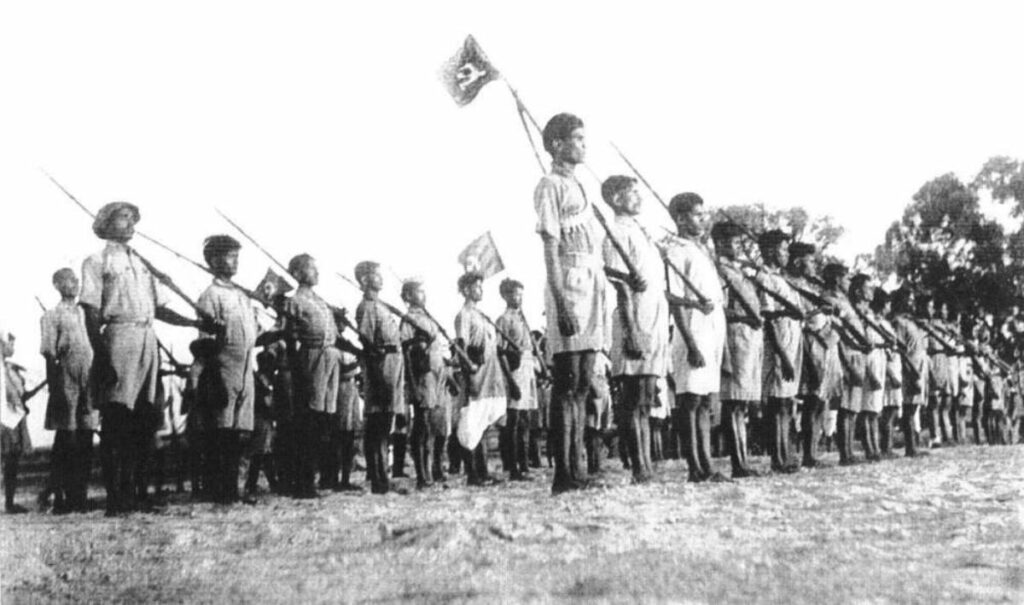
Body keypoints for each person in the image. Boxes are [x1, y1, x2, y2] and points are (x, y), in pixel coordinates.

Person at [80, 202, 213, 516]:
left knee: (143, 419)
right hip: (118, 336)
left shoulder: (143, 263)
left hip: (147, 338)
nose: (130, 224)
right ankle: (116, 499)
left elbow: (160, 309)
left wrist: (194, 322)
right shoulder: (96, 261)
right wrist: (102, 356)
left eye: (132, 219)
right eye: (122, 218)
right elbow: (91, 312)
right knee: (116, 419)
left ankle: (136, 494)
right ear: (106, 224)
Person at [534, 112, 609, 494]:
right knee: (566, 384)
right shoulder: (549, 185)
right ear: (557, 144)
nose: (583, 145)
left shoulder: (578, 184)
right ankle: (563, 473)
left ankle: (578, 469)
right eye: (576, 139)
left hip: (591, 283)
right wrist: (561, 302)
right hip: (569, 282)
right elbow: (550, 246)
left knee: (583, 383)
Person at [601, 176, 668, 484]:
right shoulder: (615, 232)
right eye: (632, 193)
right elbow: (621, 288)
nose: (639, 199)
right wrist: (630, 331)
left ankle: (647, 464)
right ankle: (640, 465)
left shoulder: (641, 233)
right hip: (635, 319)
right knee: (634, 398)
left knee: (647, 396)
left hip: (653, 318)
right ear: (616, 199)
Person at [195, 235, 262, 504]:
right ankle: (220, 490)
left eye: (236, 256)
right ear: (214, 261)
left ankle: (235, 488)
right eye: (229, 256)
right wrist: (215, 378)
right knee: (222, 430)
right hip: (223, 366)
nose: (235, 262)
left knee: (241, 432)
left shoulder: (242, 296)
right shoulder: (210, 296)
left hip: (246, 366)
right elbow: (205, 343)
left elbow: (255, 334)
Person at [281, 253, 342, 498]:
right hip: (310, 356)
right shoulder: (294, 301)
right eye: (310, 269)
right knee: (308, 420)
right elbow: (289, 336)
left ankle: (321, 477)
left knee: (325, 419)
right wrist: (298, 371)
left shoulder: (321, 302)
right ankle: (302, 481)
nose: (316, 273)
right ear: (297, 273)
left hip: (330, 356)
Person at [39, 268, 97, 513]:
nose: (74, 283)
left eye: (75, 280)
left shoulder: (86, 312)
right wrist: (56, 390)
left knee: (86, 435)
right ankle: (60, 495)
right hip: (66, 376)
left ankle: (80, 495)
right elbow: (49, 355)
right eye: (67, 280)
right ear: (57, 285)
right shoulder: (52, 316)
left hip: (89, 376)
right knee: (67, 437)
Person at [713, 221, 762, 478]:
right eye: (733, 242)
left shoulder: (739, 271)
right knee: (733, 401)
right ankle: (738, 463)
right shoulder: (720, 271)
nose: (738, 247)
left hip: (749, 338)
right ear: (720, 243)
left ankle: (743, 460)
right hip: (734, 337)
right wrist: (745, 318)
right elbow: (719, 307)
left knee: (743, 403)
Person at [755, 229, 806, 473]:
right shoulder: (765, 278)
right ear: (769, 251)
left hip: (792, 340)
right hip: (779, 344)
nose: (786, 254)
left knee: (787, 402)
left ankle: (786, 453)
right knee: (777, 403)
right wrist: (783, 356)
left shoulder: (783, 279)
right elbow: (768, 318)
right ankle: (778, 457)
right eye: (783, 249)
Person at [785, 242, 839, 469]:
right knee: (808, 401)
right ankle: (803, 453)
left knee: (819, 402)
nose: (814, 265)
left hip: (824, 344)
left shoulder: (811, 285)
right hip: (807, 343)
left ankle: (812, 452)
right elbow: (799, 316)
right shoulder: (789, 284)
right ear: (798, 261)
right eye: (810, 261)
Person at [354, 260, 406, 495]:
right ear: (365, 280)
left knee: (385, 424)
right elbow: (367, 343)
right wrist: (377, 379)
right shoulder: (367, 307)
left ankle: (382, 476)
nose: (380, 278)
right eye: (376, 275)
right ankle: (378, 479)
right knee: (378, 426)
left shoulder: (380, 306)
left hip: (392, 364)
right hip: (380, 367)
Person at [454, 271, 508, 487]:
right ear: (466, 290)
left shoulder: (481, 315)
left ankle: (483, 471)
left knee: (483, 424)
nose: (480, 290)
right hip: (476, 375)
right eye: (476, 287)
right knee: (471, 424)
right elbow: (461, 347)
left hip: (490, 374)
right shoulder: (464, 315)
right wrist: (470, 373)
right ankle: (473, 474)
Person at [399, 278, 446, 488]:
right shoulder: (408, 320)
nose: (423, 295)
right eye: (419, 292)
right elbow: (407, 354)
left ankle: (431, 471)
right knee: (422, 425)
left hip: (436, 376)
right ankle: (422, 475)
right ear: (408, 296)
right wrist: (413, 384)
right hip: (422, 377)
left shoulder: (428, 318)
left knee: (432, 427)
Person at [495, 278, 539, 481]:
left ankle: (524, 464)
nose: (518, 298)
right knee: (512, 421)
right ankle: (512, 467)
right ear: (505, 296)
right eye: (514, 294)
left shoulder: (523, 318)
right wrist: (511, 382)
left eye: (521, 294)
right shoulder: (504, 320)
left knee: (525, 420)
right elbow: (500, 352)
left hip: (528, 369)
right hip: (514, 370)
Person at [891, 288, 929, 457]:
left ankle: (914, 445)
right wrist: (912, 372)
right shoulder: (899, 322)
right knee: (908, 408)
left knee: (914, 408)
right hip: (909, 369)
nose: (912, 303)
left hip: (918, 367)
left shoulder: (911, 321)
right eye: (909, 300)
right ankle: (910, 447)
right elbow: (901, 348)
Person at [851, 275, 884, 462]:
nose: (871, 291)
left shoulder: (870, 313)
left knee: (874, 409)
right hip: (864, 359)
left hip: (876, 358)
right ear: (858, 291)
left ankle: (875, 447)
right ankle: (869, 448)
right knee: (866, 408)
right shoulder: (856, 312)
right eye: (867, 288)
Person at [2, 331, 33, 514]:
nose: (12, 348)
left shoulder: (9, 369)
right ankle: (9, 502)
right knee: (10, 459)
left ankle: (10, 501)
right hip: (7, 420)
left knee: (12, 460)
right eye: (10, 344)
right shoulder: (5, 370)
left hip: (11, 417)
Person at [243, 350, 277, 502]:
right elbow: (263, 401)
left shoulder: (259, 379)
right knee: (259, 452)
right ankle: (251, 484)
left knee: (265, 451)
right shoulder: (260, 381)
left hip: (262, 417)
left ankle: (271, 481)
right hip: (260, 417)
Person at [874, 289, 903, 458]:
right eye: (887, 304)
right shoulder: (878, 323)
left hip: (895, 365)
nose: (889, 307)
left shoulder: (886, 323)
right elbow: (884, 351)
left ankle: (888, 446)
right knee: (887, 411)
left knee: (892, 410)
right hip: (888, 368)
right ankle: (885, 447)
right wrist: (891, 374)